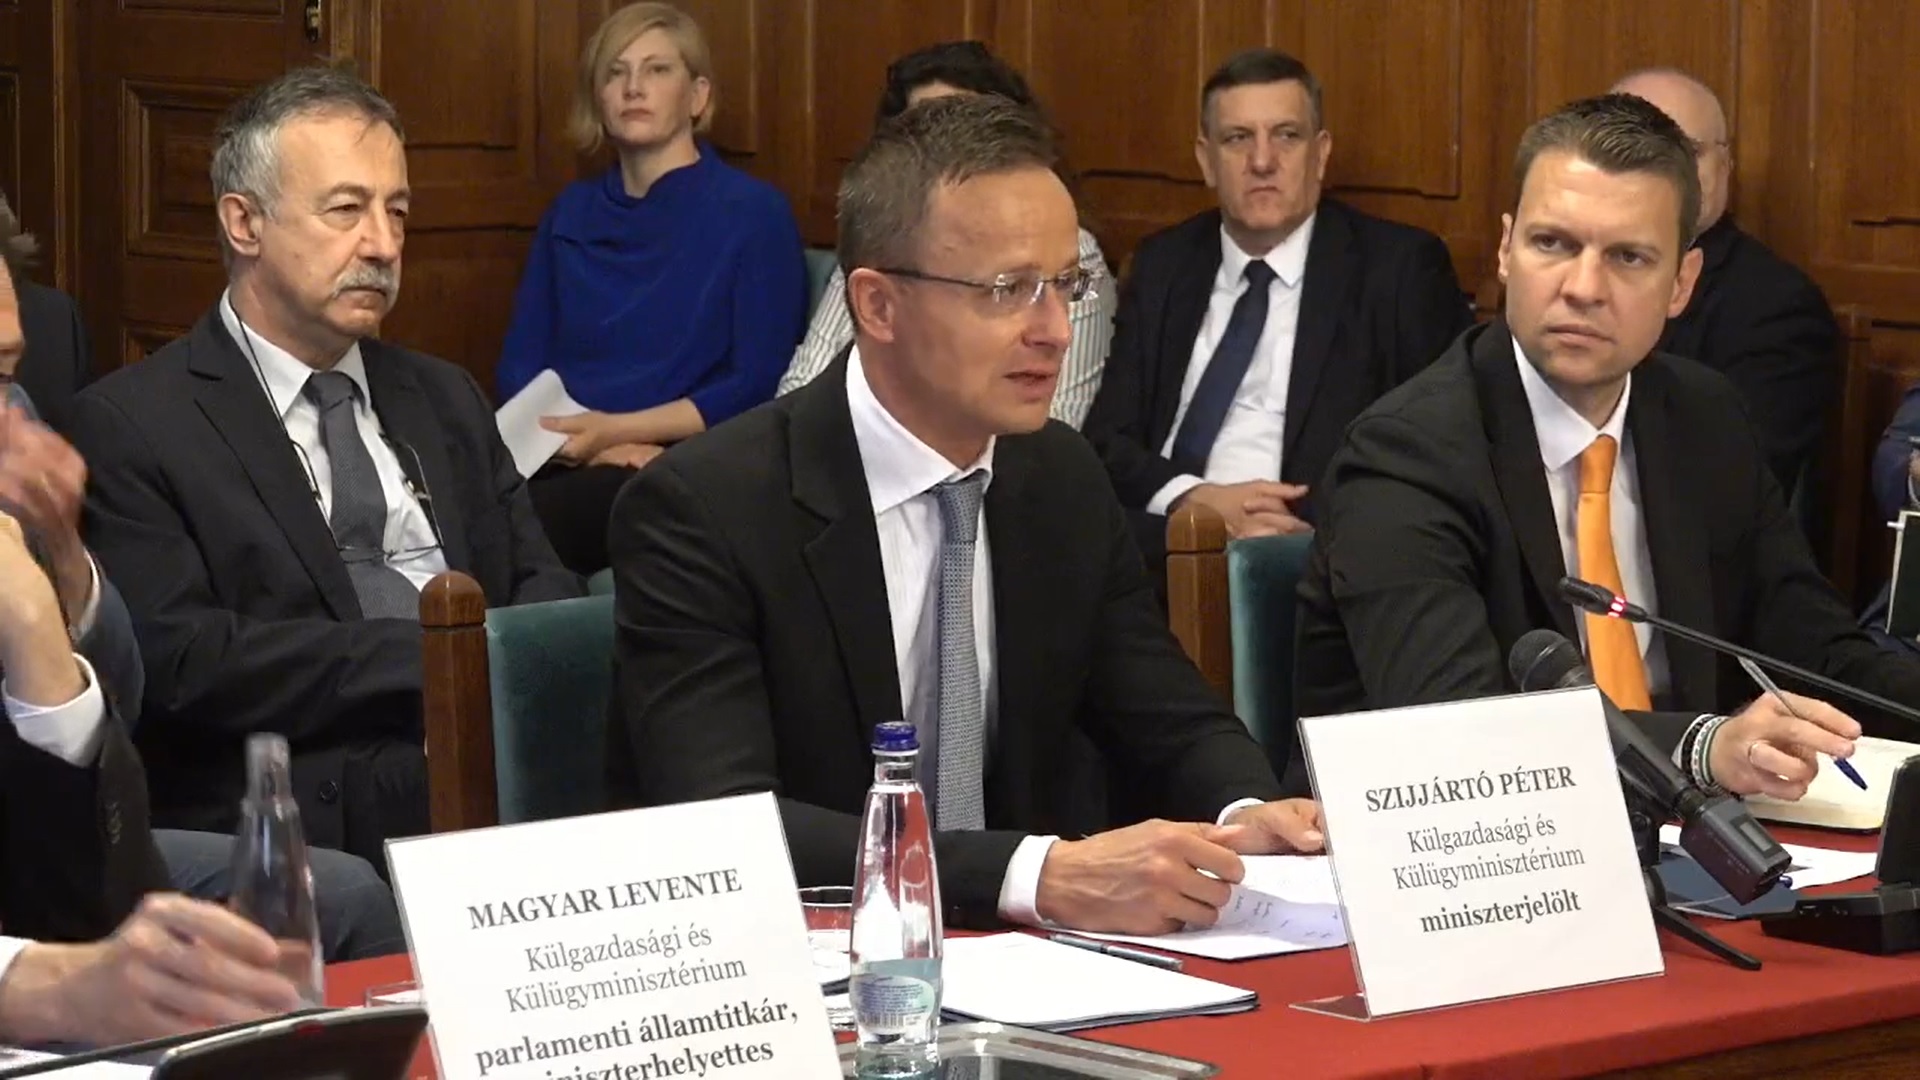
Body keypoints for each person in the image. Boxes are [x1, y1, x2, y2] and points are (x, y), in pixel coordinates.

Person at [606, 95, 1322, 937]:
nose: (1054, 331)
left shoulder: (1059, 475)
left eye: (1065, 285)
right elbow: (727, 825)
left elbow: (1166, 714)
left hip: (1042, 971)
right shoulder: (705, 508)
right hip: (810, 958)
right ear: (877, 305)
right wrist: (1034, 874)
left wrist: (1246, 811)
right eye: (1008, 290)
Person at [1292, 93, 1901, 800]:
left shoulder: (1703, 416)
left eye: (1628, 257)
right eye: (1553, 244)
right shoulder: (1405, 453)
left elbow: (1819, 654)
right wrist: (1701, 747)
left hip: (1682, 832)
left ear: (1681, 284)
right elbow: (1460, 730)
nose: (1583, 288)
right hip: (1454, 841)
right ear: (1505, 249)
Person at [68, 66, 580, 873]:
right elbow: (186, 661)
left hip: (496, 748)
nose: (383, 244)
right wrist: (441, 662)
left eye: (397, 211)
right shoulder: (134, 423)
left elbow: (540, 578)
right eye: (347, 210)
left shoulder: (443, 394)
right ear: (244, 222)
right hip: (316, 794)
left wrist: (518, 675)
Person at [1082, 48, 1472, 577]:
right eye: (1237, 138)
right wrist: (1195, 502)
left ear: (1321, 153)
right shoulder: (1164, 263)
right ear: (1206, 160)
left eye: (1286, 135)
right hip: (1160, 545)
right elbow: (1105, 442)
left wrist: (1292, 535)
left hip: (1310, 563)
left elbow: (1437, 455)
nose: (1262, 161)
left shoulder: (1398, 270)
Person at [497, 1, 807, 575]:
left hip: (682, 461)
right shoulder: (569, 212)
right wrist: (588, 446)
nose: (633, 87)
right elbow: (520, 366)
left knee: (514, 534)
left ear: (697, 96)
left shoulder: (754, 214)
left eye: (657, 69)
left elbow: (755, 382)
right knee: (460, 504)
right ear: (598, 97)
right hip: (564, 453)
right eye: (615, 72)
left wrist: (618, 434)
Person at [775, 40, 1114, 430]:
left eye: (969, 130)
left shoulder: (1068, 247)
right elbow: (800, 392)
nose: (1059, 333)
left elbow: (1052, 424)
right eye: (1009, 287)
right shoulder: (883, 241)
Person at [1609, 69, 1838, 496]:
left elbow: (1733, 484)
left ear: (1725, 166)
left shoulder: (1778, 306)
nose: (1660, 171)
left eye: (1685, 151)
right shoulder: (1556, 278)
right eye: (1631, 147)